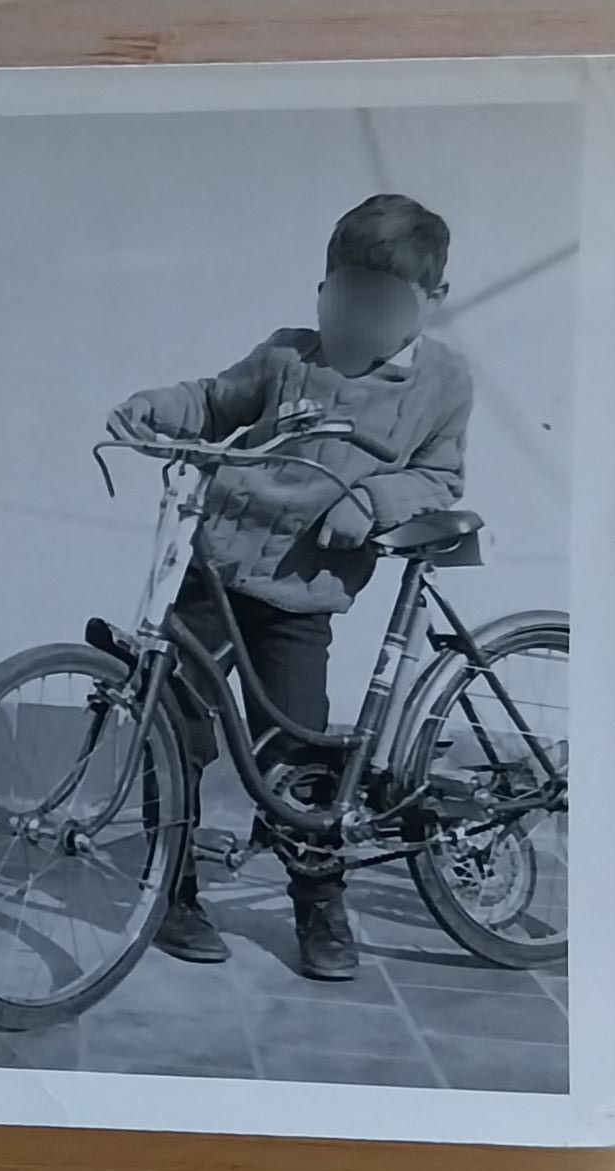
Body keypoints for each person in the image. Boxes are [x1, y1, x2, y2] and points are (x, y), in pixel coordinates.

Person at [105, 193, 474, 981]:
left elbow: (438, 476)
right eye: (342, 301)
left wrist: (369, 499)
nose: (354, 324)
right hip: (215, 573)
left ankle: (319, 904)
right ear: (322, 290)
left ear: (431, 304)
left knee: (297, 758)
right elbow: (211, 402)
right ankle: (171, 889)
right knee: (171, 725)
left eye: (380, 309)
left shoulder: (442, 384)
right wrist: (157, 408)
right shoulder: (285, 358)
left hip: (301, 597)